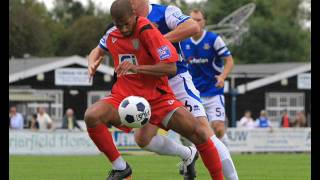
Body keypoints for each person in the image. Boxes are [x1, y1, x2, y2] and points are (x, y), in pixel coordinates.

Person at [90, 1, 238, 179]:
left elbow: (192, 27)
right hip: (144, 85)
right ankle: (187, 154)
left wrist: (156, 41)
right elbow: (98, 49)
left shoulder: (164, 13)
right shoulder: (122, 23)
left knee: (203, 132)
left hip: (175, 81)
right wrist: (92, 62)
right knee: (143, 140)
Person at [180, 9, 234, 148]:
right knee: (186, 130)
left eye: (198, 20)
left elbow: (229, 61)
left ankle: (225, 149)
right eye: (192, 19)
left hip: (213, 91)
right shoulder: (183, 42)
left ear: (204, 22)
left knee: (218, 128)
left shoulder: (213, 39)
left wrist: (222, 77)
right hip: (192, 93)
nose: (195, 23)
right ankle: (190, 156)